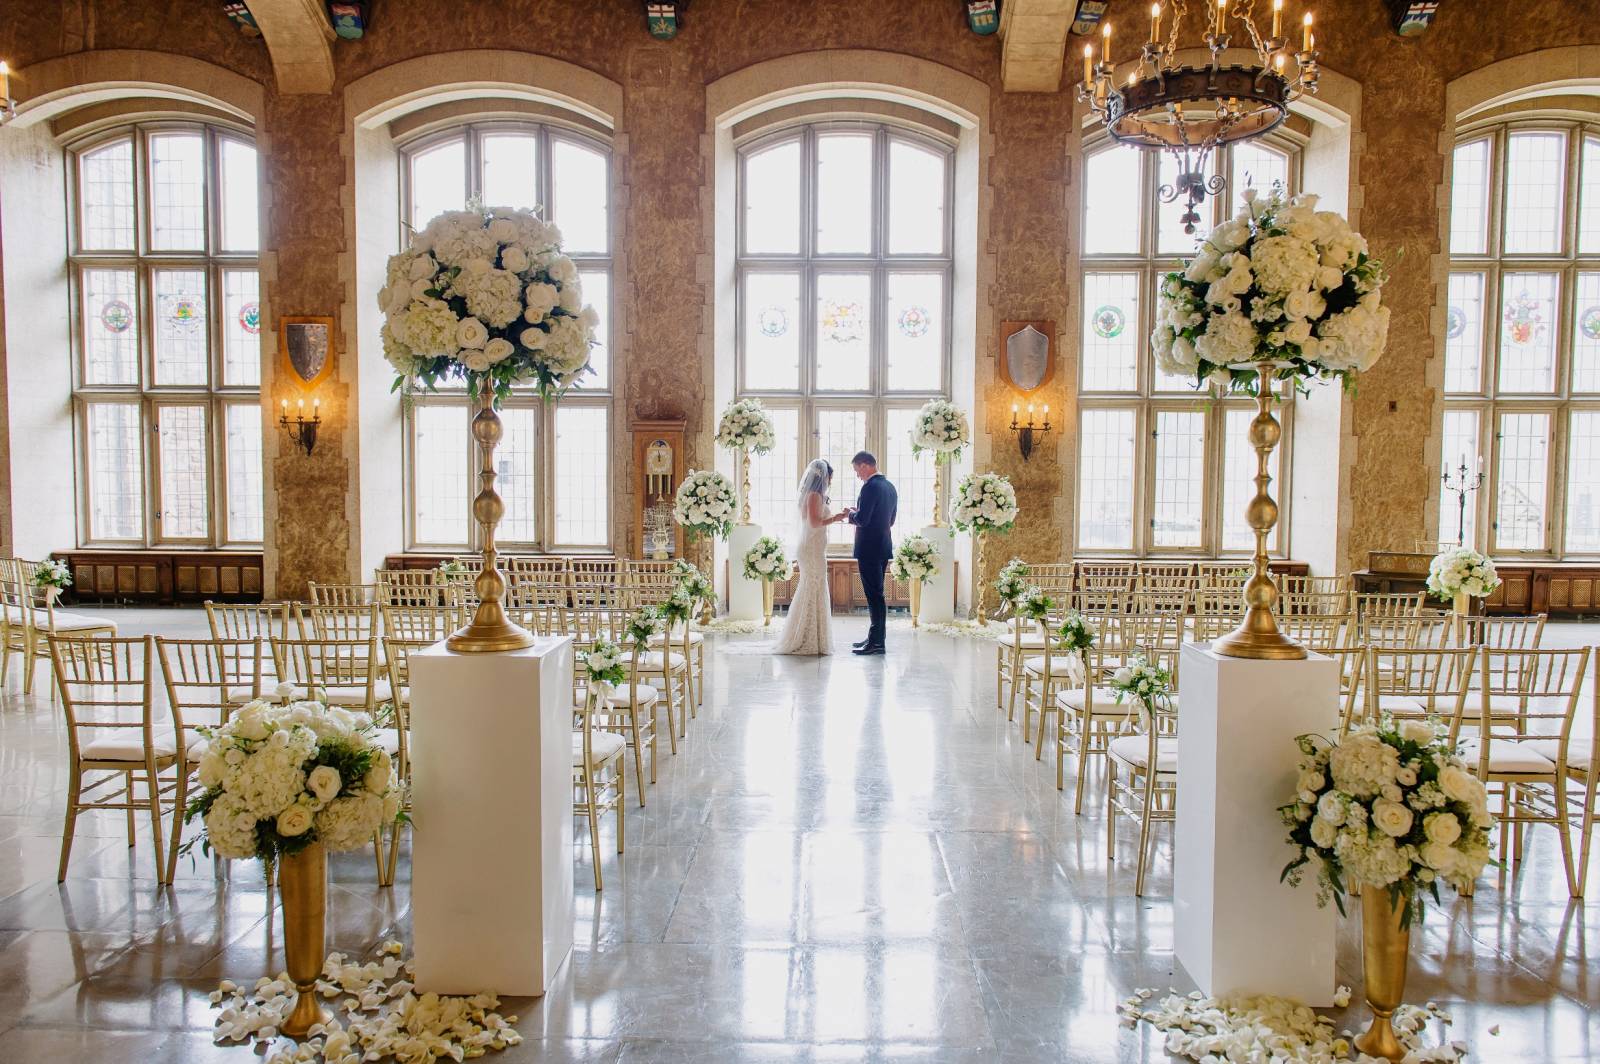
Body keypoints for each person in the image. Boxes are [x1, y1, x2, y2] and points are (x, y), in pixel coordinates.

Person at [773, 459, 849, 656]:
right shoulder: (814, 495)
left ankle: (811, 634)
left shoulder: (813, 495)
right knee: (812, 587)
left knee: (812, 587)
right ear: (823, 476)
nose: (830, 481)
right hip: (812, 551)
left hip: (814, 548)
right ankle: (806, 636)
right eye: (829, 477)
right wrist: (838, 517)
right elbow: (815, 523)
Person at [844, 451, 897, 656]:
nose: (858, 475)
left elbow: (863, 520)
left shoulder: (869, 487)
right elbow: (890, 520)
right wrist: (859, 513)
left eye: (857, 470)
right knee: (877, 595)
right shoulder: (890, 487)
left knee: (874, 596)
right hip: (883, 547)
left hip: (868, 549)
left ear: (865, 465)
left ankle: (877, 644)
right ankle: (875, 638)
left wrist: (850, 513)